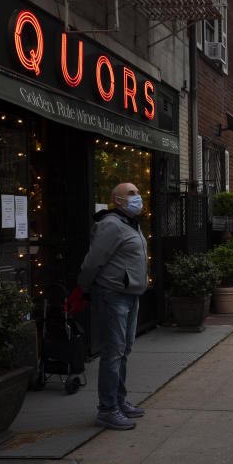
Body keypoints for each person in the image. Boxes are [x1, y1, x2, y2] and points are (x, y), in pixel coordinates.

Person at [78, 182, 149, 431]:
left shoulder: (130, 224)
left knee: (124, 350)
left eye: (138, 193)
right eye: (131, 193)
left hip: (130, 295)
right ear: (117, 200)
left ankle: (119, 401)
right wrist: (84, 287)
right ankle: (107, 410)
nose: (137, 197)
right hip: (113, 296)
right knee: (113, 352)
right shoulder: (110, 224)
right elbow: (92, 262)